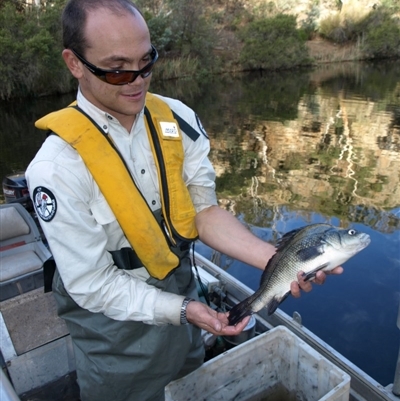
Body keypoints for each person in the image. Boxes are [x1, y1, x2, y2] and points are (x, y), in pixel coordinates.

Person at [26, 1, 343, 400]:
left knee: (189, 383)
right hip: (110, 324)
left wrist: (278, 262)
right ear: (74, 63)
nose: (136, 81)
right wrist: (183, 310)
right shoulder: (56, 169)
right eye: (117, 68)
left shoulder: (178, 120)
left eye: (147, 62)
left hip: (181, 284)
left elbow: (204, 212)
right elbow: (91, 284)